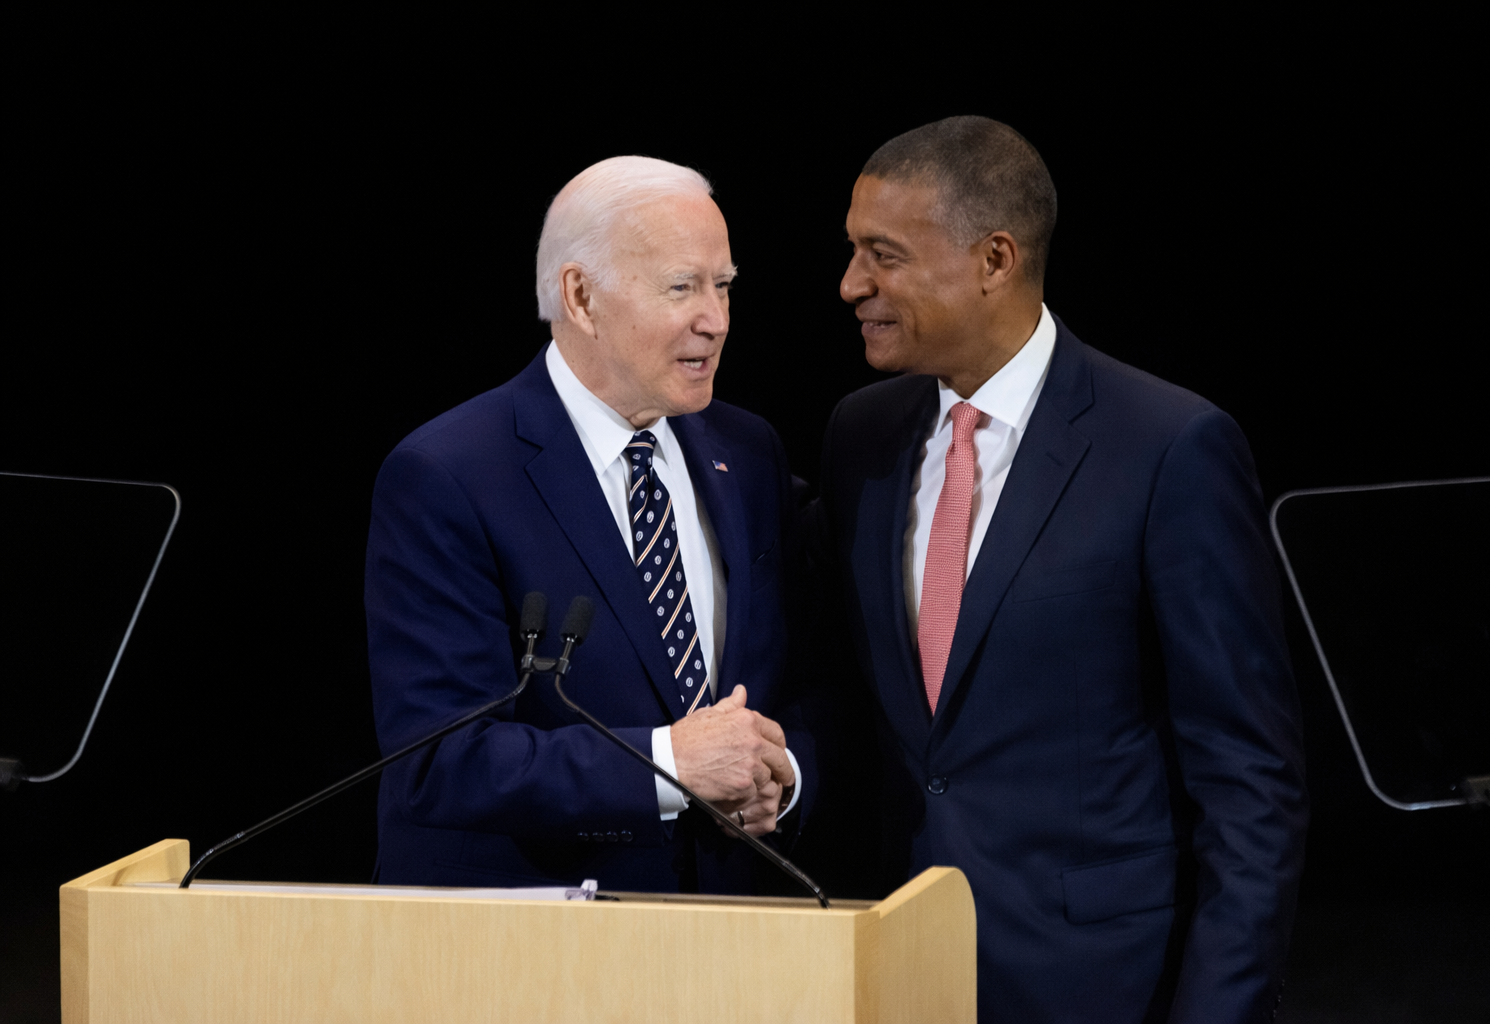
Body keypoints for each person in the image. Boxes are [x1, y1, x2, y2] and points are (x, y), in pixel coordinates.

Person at [808, 117, 1307, 1021]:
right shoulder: (861, 436)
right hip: (892, 974)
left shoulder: (1168, 447)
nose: (851, 286)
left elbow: (1248, 781)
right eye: (852, 252)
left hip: (1099, 985)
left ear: (995, 259)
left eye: (883, 255)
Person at [366, 156, 809, 894]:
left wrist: (784, 774)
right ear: (581, 296)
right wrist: (669, 765)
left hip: (735, 934)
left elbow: (809, 676)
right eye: (682, 287)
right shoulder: (447, 474)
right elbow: (438, 762)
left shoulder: (749, 452)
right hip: (532, 941)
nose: (717, 319)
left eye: (724, 285)